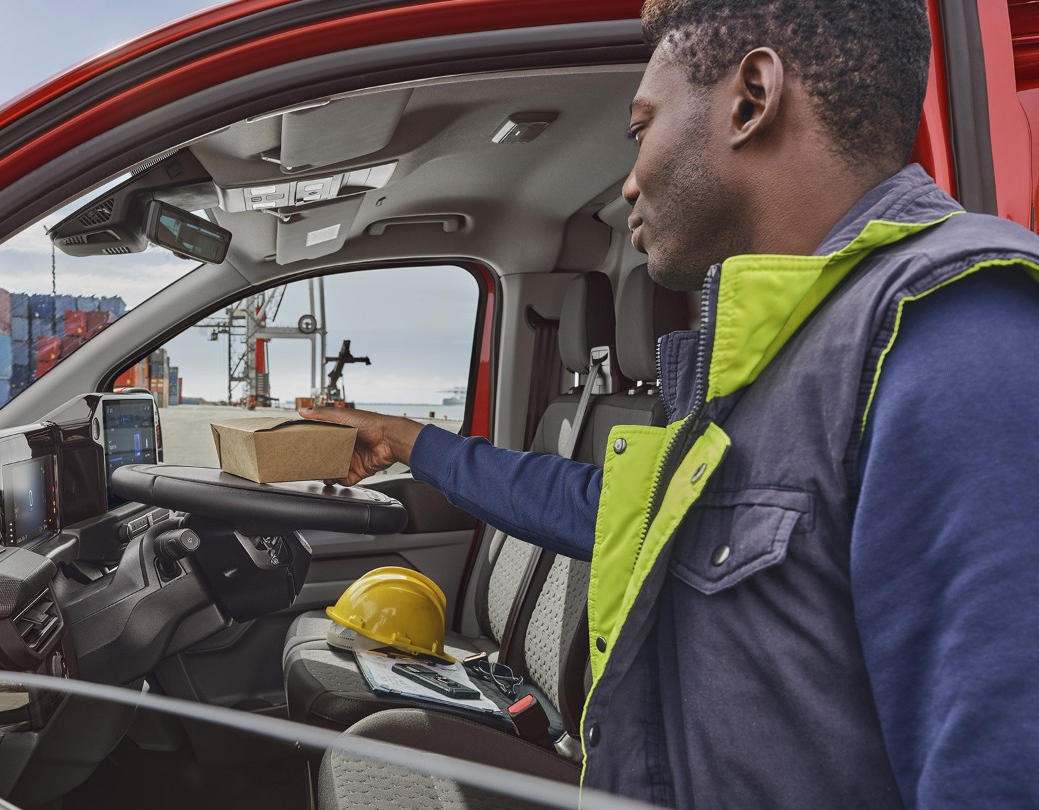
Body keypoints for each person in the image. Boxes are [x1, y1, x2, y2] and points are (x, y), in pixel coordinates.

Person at [302, 1, 1039, 807]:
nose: (627, 183)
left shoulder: (961, 342)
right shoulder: (776, 359)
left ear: (751, 98)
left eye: (640, 127)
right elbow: (602, 507)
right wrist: (410, 439)